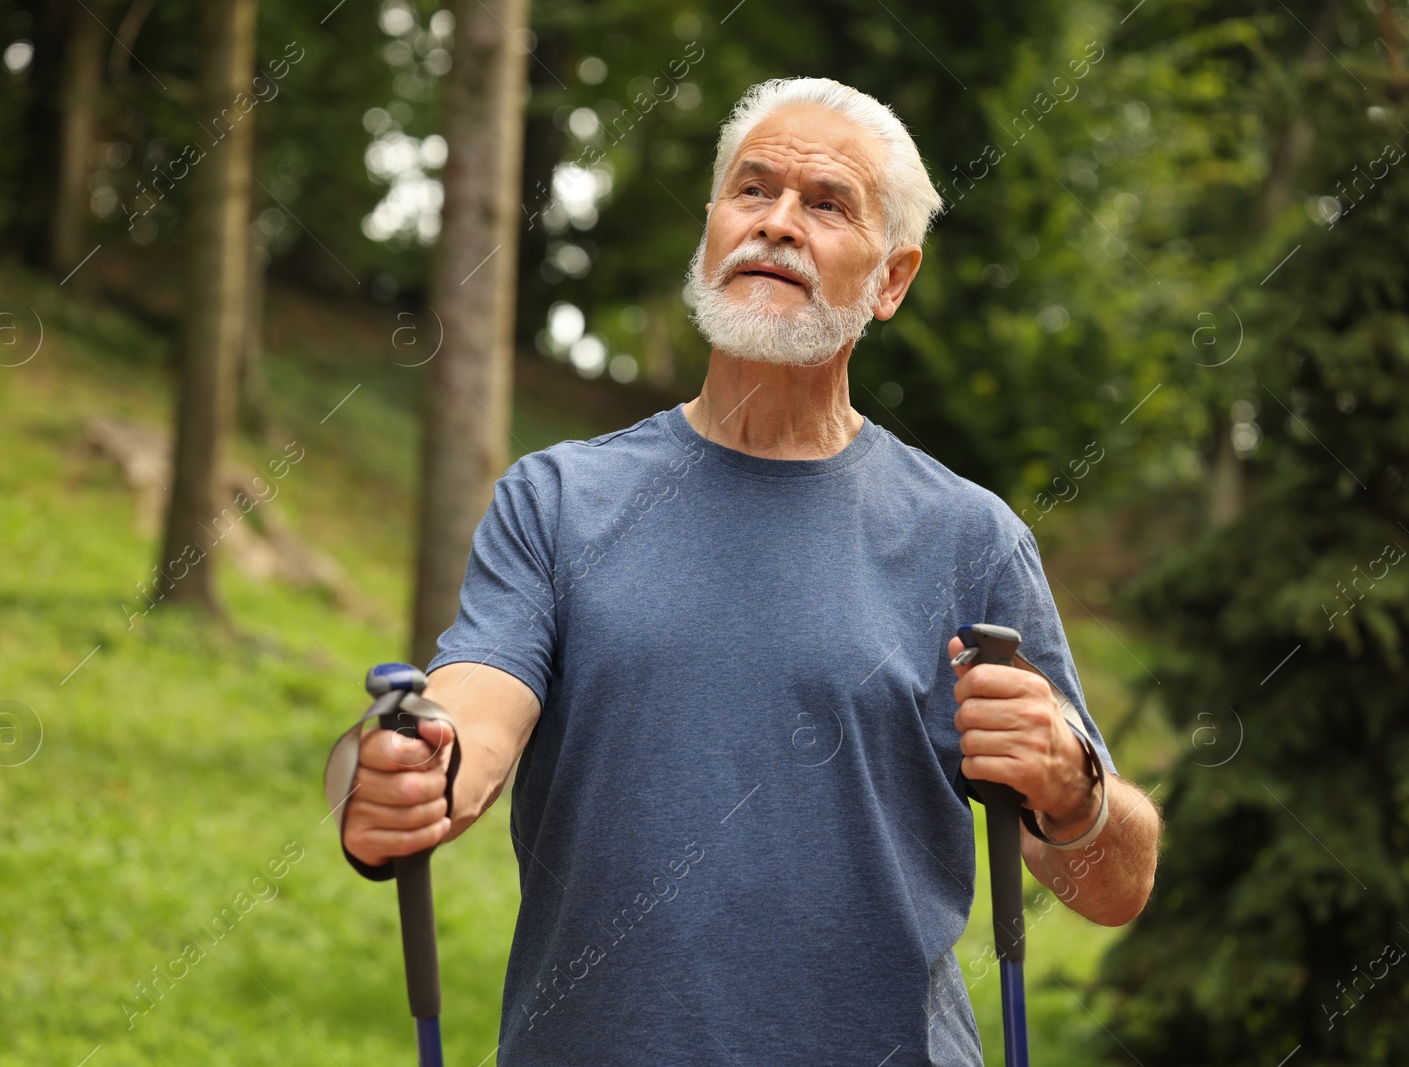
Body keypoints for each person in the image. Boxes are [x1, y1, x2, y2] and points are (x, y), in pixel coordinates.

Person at [341, 76, 1161, 1065]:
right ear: (710, 229)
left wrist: (1073, 788)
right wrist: (397, 767)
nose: (775, 224)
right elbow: (468, 715)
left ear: (890, 281)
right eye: (752, 189)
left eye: (825, 204)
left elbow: (1111, 883)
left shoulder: (968, 539)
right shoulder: (557, 501)